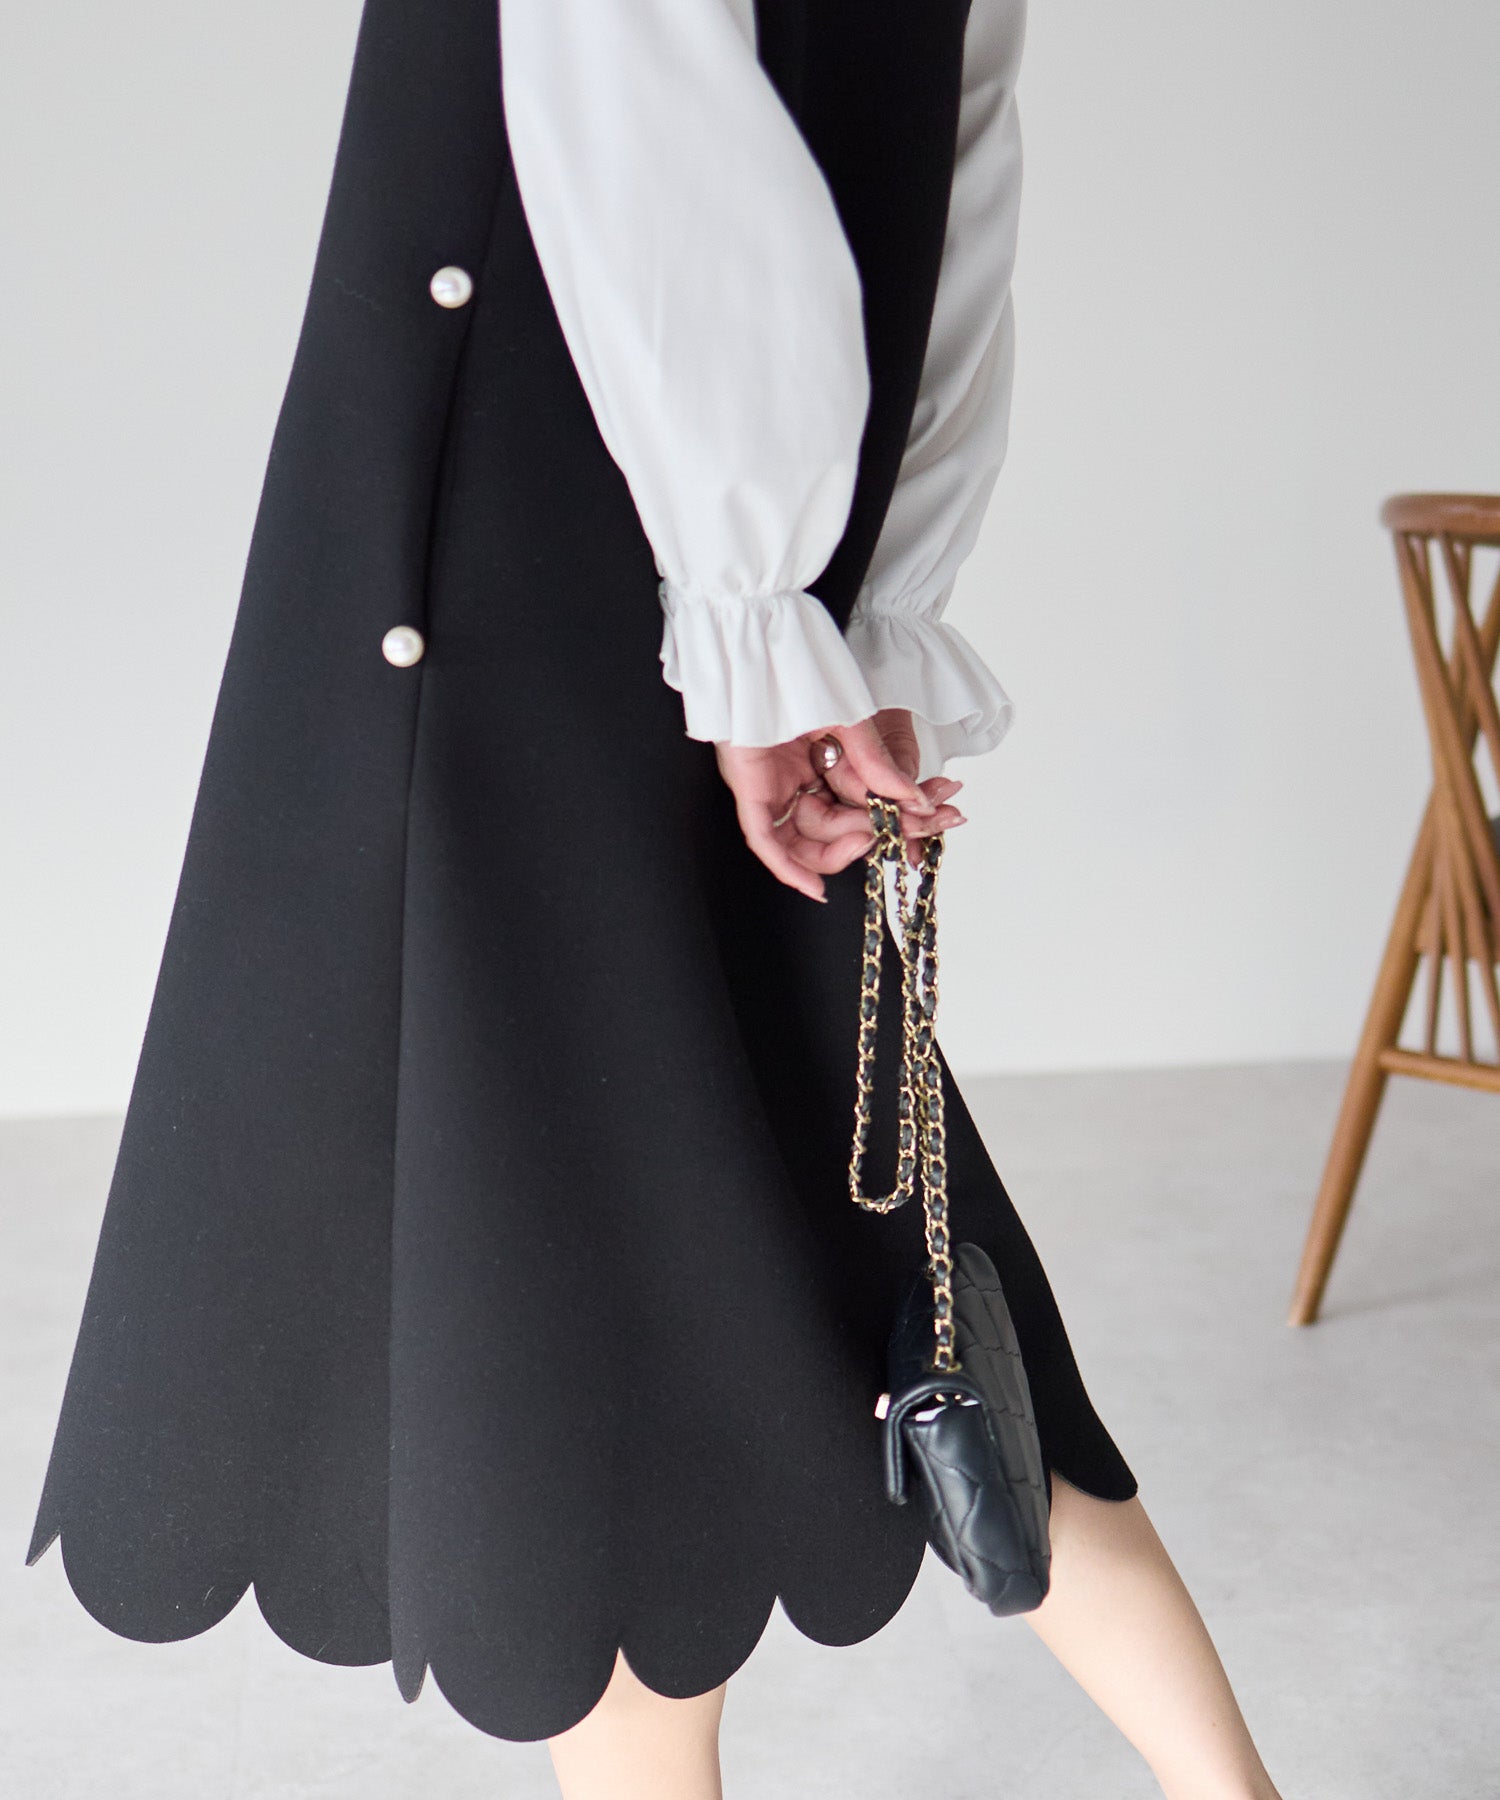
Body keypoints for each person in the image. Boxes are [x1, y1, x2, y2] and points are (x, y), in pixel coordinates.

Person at [28, 1, 1283, 1795]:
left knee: (568, 1294)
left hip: (529, 546)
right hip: (698, 554)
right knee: (834, 1202)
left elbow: (637, 74)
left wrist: (774, 608)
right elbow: (951, 141)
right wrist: (836, 603)